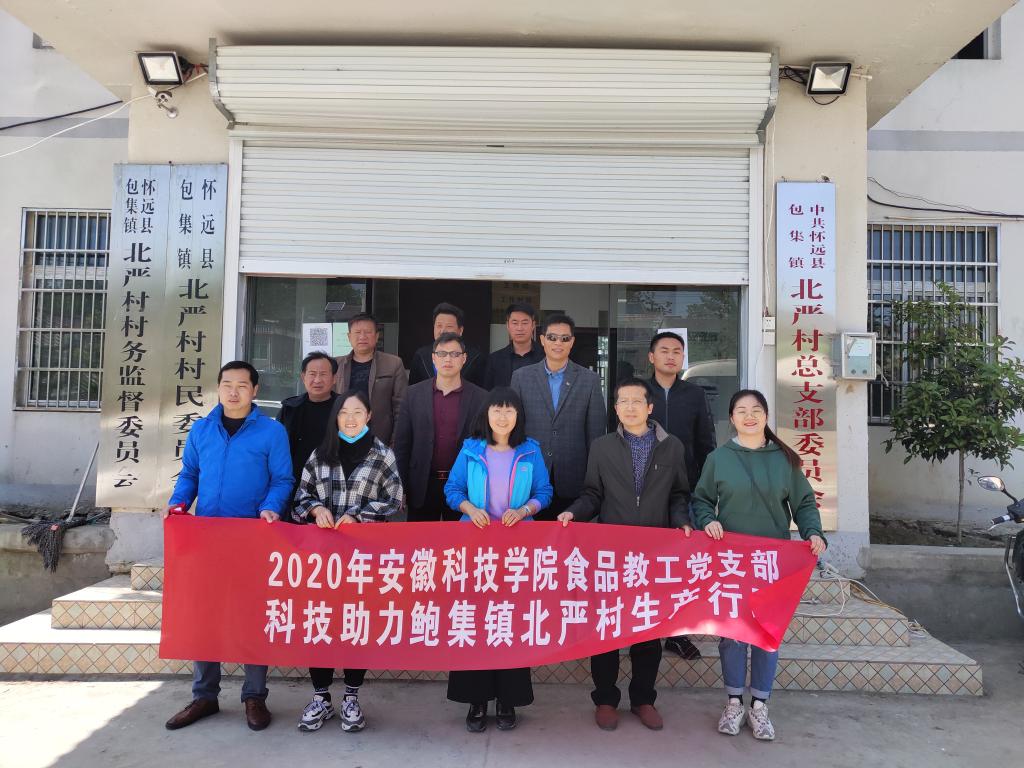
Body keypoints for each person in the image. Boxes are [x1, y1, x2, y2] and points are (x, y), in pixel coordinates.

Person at [691, 388, 827, 742]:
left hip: (771, 562)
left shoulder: (784, 460)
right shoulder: (719, 458)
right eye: (741, 410)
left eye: (755, 410)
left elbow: (804, 504)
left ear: (766, 416)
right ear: (731, 418)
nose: (749, 416)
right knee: (733, 634)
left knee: (767, 633)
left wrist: (813, 532)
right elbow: (701, 500)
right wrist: (708, 520)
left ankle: (760, 706)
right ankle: (734, 702)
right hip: (731, 561)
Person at [164, 361, 293, 733]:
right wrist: (178, 503)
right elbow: (190, 474)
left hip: (252, 537)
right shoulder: (201, 429)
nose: (233, 392)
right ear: (218, 388)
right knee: (206, 615)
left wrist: (271, 506)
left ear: (255, 390)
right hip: (207, 538)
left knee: (251, 615)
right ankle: (204, 695)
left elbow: (283, 479)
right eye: (227, 384)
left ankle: (255, 696)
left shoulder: (272, 431)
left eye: (242, 385)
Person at [557, 377, 692, 733]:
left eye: (637, 401)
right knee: (607, 628)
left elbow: (679, 494)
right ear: (615, 409)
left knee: (648, 628)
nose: (630, 407)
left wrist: (682, 522)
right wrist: (573, 512)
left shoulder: (671, 446)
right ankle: (605, 699)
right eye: (623, 401)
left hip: (654, 553)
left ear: (650, 407)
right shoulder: (602, 447)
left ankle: (644, 699)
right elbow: (592, 494)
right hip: (610, 555)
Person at [291, 389, 404, 733]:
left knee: (357, 624)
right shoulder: (321, 454)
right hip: (322, 560)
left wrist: (359, 515)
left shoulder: (383, 455)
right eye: (344, 412)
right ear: (336, 418)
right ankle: (321, 697)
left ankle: (351, 697)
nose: (350, 418)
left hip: (362, 560)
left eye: (357, 412)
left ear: (369, 416)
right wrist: (316, 508)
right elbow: (300, 497)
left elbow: (394, 499)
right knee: (321, 622)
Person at [443, 387, 553, 732]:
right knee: (475, 621)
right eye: (496, 410)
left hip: (516, 551)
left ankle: (508, 699)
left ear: (518, 416)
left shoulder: (530, 450)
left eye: (509, 411)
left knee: (510, 621)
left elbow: (545, 492)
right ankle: (476, 700)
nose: (502, 417)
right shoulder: (471, 449)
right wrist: (469, 508)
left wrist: (524, 510)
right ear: (486, 415)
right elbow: (452, 490)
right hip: (475, 550)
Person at [647, 331, 717, 661]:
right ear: (651, 357)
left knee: (681, 564)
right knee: (645, 562)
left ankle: (677, 633)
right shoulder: (637, 391)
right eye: (664, 350)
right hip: (641, 491)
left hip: (683, 491)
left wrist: (705, 487)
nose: (671, 356)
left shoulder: (694, 394)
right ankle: (643, 626)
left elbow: (706, 443)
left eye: (677, 351)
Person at [510, 313, 606, 519]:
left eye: (564, 338)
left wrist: (594, 478)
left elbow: (596, 434)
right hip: (530, 474)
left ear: (572, 342)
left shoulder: (590, 380)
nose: (558, 343)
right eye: (552, 337)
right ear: (542, 340)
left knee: (569, 535)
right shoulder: (521, 377)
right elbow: (514, 427)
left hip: (573, 478)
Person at [394, 332, 488, 521]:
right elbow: (402, 446)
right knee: (422, 539)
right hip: (422, 484)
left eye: (454, 354)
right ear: (433, 358)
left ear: (464, 359)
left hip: (464, 486)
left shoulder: (481, 397)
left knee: (461, 540)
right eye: (442, 354)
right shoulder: (413, 394)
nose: (448, 359)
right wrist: (400, 487)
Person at [277, 352, 339, 518]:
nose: (317, 380)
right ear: (303, 377)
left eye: (323, 374)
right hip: (294, 486)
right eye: (312, 374)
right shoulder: (290, 409)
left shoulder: (345, 409)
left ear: (334, 378)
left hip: (335, 489)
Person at [333, 312, 408, 444]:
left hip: (380, 439)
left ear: (377, 336)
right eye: (357, 332)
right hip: (342, 439)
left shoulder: (393, 364)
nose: (362, 336)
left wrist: (394, 443)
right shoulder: (335, 365)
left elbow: (401, 407)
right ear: (349, 337)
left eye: (368, 332)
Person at [408, 302, 485, 387]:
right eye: (439, 326)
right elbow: (412, 389)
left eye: (449, 326)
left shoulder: (476, 358)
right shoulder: (421, 355)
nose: (443, 331)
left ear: (460, 330)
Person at [483, 302, 544, 389]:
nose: (520, 328)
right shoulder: (495, 360)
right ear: (508, 326)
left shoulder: (546, 356)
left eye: (525, 323)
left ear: (533, 325)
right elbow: (488, 392)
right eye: (515, 323)